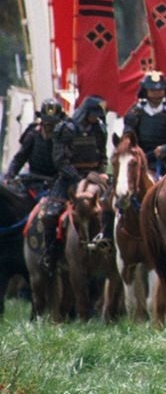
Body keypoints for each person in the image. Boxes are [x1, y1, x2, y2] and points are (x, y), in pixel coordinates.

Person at [44, 96, 110, 270]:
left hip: (94, 177)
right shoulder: (66, 129)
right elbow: (59, 160)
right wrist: (77, 178)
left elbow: (102, 155)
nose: (96, 118)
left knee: (113, 208)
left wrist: (101, 173)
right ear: (85, 113)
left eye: (98, 115)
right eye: (93, 115)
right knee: (50, 215)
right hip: (69, 178)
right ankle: (51, 255)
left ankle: (111, 249)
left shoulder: (100, 129)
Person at [123, 71, 166, 176]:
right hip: (142, 160)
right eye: (153, 90)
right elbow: (127, 135)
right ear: (146, 91)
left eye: (159, 90)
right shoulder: (136, 111)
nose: (156, 93)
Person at [5, 98, 66, 192]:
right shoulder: (33, 133)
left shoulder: (64, 137)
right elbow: (20, 158)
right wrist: (9, 176)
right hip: (32, 178)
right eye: (47, 121)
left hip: (55, 182)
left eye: (52, 123)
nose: (49, 125)